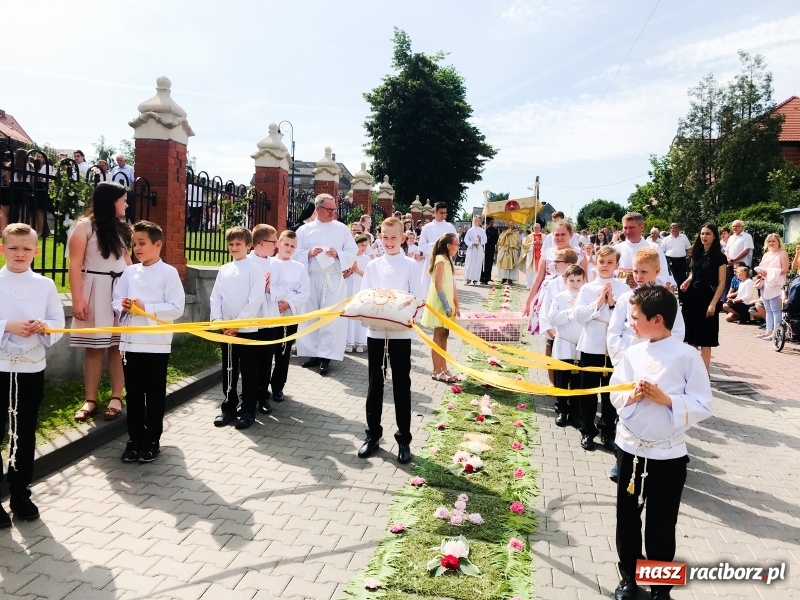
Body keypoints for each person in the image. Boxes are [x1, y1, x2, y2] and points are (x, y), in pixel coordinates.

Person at [609, 285, 713, 600]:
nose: (630, 324)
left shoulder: (687, 356)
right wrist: (632, 395)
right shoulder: (632, 352)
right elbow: (615, 391)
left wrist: (667, 400)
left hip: (667, 455)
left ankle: (660, 588)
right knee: (627, 516)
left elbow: (703, 403)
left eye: (635, 318)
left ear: (657, 319)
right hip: (630, 448)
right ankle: (629, 576)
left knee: (662, 522)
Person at [0, 223, 64, 525]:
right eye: (13, 247)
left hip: (30, 367)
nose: (19, 254)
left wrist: (44, 325)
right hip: (0, 366)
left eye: (26, 248)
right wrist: (6, 325)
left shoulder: (45, 285)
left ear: (36, 251)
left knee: (24, 430)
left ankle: (20, 492)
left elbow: (57, 322)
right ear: (3, 249)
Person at [112, 221, 185, 463]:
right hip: (131, 343)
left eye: (142, 243)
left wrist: (146, 308)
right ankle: (134, 438)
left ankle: (153, 439)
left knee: (154, 393)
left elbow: (176, 308)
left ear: (158, 244)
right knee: (133, 393)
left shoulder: (169, 273)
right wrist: (122, 305)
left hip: (156, 343)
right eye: (134, 244)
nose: (137, 249)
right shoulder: (129, 272)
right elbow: (116, 299)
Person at [356, 217, 417, 464]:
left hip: (401, 334)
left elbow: (417, 298)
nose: (389, 242)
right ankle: (373, 435)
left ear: (403, 238)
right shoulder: (373, 266)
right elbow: (365, 296)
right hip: (377, 332)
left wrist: (405, 318)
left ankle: (404, 439)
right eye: (385, 237)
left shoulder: (411, 265)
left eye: (394, 237)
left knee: (402, 384)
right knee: (375, 384)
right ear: (379, 237)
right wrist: (370, 317)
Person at [70, 183, 132, 423]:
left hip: (119, 291)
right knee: (94, 347)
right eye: (123, 200)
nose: (126, 204)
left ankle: (117, 397)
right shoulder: (84, 227)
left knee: (117, 346)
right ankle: (90, 400)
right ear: (110, 201)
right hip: (94, 289)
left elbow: (128, 263)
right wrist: (77, 299)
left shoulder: (122, 229)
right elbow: (75, 265)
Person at [573, 245, 630, 452]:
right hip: (591, 344)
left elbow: (629, 319)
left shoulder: (624, 289)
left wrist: (613, 304)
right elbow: (578, 316)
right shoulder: (587, 288)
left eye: (609, 263)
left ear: (616, 265)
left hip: (614, 349)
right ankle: (587, 430)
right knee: (587, 391)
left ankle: (608, 431)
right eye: (601, 262)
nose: (605, 266)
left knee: (610, 393)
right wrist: (597, 304)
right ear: (595, 263)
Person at [210, 226, 267, 430]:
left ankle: (249, 409)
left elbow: (255, 299)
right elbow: (216, 296)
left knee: (250, 371)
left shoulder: (254, 269)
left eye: (238, 244)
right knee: (229, 368)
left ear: (248, 245)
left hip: (247, 330)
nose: (234, 248)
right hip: (227, 329)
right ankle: (228, 407)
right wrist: (220, 321)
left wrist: (238, 323)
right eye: (231, 244)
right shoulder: (224, 269)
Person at [294, 194, 358, 375]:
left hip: (333, 278)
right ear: (318, 209)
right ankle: (313, 353)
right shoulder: (305, 231)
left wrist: (337, 253)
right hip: (312, 277)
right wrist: (308, 253)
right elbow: (294, 252)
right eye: (329, 209)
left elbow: (352, 251)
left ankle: (326, 357)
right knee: (312, 315)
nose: (333, 213)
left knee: (330, 318)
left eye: (334, 209)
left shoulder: (341, 229)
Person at [265, 229, 310, 403]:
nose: (289, 248)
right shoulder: (268, 263)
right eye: (286, 244)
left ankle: (277, 387)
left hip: (288, 315)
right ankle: (263, 388)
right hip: (269, 315)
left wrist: (288, 303)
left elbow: (304, 291)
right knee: (267, 353)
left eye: (293, 246)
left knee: (283, 353)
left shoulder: (299, 267)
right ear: (278, 244)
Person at [679, 223, 727, 370]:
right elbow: (695, 272)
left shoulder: (719, 257)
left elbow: (721, 283)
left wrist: (713, 303)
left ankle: (705, 372)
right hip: (692, 297)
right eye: (702, 234)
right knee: (690, 337)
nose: (704, 237)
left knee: (705, 339)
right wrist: (687, 281)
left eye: (707, 234)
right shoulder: (696, 254)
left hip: (708, 298)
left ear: (714, 236)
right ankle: (691, 370)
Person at [546, 264, 585, 427]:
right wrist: (572, 312)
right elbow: (552, 318)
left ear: (584, 280)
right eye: (571, 280)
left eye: (578, 280)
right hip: (564, 343)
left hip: (581, 344)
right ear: (565, 280)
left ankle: (575, 412)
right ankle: (561, 409)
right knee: (562, 379)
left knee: (578, 381)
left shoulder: (586, 297)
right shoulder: (559, 298)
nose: (575, 284)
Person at [247, 224, 279, 415]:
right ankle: (248, 396)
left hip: (269, 317)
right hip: (251, 320)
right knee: (251, 362)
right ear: (260, 242)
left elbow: (284, 288)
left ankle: (262, 396)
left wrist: (269, 289)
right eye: (273, 242)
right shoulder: (246, 261)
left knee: (267, 360)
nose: (276, 246)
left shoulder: (276, 264)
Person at [420, 232, 460, 383]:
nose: (458, 247)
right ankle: (436, 370)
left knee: (445, 335)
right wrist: (447, 305)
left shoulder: (448, 260)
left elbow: (452, 284)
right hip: (440, 302)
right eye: (456, 244)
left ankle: (444, 367)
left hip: (448, 303)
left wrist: (457, 304)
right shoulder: (440, 259)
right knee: (438, 336)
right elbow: (438, 285)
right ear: (448, 245)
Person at [536, 247, 579, 384]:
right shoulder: (552, 284)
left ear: (568, 264)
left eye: (557, 261)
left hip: (574, 335)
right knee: (555, 361)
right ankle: (554, 384)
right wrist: (551, 331)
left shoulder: (581, 284)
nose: (554, 263)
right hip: (555, 332)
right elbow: (545, 309)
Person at [615, 213, 675, 289]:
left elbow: (662, 275)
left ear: (642, 227)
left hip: (647, 295)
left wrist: (641, 282)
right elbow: (609, 275)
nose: (628, 231)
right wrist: (625, 280)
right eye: (625, 228)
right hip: (621, 295)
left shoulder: (654, 248)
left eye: (631, 227)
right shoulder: (616, 249)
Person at [753, 233, 789, 340]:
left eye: (773, 241)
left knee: (775, 309)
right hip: (765, 283)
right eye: (769, 241)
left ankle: (776, 333)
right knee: (768, 309)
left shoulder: (782, 253)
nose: (771, 243)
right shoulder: (766, 255)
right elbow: (762, 267)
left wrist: (769, 272)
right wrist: (761, 272)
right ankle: (768, 331)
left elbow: (785, 270)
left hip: (776, 283)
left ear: (778, 241)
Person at [418, 202, 457, 295]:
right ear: (435, 212)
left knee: (446, 285)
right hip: (431, 260)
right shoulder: (427, 228)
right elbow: (422, 246)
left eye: (445, 213)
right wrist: (436, 245)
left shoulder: (449, 227)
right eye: (441, 213)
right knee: (430, 287)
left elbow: (455, 243)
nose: (443, 215)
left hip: (446, 260)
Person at [345, 234, 371, 352]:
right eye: (361, 245)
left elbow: (368, 275)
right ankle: (349, 342)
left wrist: (357, 270)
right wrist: (351, 270)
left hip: (360, 287)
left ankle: (360, 342)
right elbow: (344, 274)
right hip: (350, 287)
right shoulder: (350, 258)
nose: (363, 248)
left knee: (360, 313)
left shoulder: (367, 259)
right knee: (350, 313)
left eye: (366, 245)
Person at [660, 223, 692, 301]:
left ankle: (682, 298)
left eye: (676, 227)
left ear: (679, 228)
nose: (674, 229)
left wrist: (688, 255)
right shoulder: (666, 239)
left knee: (681, 279)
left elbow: (689, 248)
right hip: (670, 260)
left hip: (681, 260)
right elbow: (662, 251)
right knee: (671, 279)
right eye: (672, 227)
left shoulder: (683, 237)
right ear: (670, 229)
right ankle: (670, 298)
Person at [724, 220, 754, 293]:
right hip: (731, 265)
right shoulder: (731, 237)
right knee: (730, 284)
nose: (735, 228)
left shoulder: (747, 236)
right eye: (733, 226)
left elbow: (746, 250)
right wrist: (728, 258)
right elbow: (726, 250)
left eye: (737, 226)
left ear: (742, 227)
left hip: (742, 266)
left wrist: (735, 259)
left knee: (741, 285)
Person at [463, 216, 486, 284]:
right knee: (470, 263)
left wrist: (480, 239)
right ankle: (468, 278)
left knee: (477, 264)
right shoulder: (470, 230)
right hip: (472, 249)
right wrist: (472, 243)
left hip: (479, 249)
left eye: (479, 221)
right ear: (474, 221)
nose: (479, 222)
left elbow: (485, 240)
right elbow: (466, 239)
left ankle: (475, 279)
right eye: (477, 221)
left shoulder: (482, 230)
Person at [522, 223, 543, 290]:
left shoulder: (545, 236)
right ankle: (529, 286)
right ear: (532, 228)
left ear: (540, 228)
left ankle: (539, 286)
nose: (536, 229)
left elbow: (548, 245)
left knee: (540, 271)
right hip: (532, 256)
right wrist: (533, 243)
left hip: (541, 256)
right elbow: (524, 245)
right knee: (530, 271)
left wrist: (542, 243)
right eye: (535, 227)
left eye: (538, 227)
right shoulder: (529, 236)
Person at [480, 216, 499, 284]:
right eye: (490, 221)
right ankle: (482, 277)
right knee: (483, 263)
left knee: (489, 263)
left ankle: (487, 277)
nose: (492, 223)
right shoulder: (483, 229)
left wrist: (495, 247)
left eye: (492, 221)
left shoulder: (494, 230)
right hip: (483, 248)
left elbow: (496, 239)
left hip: (490, 248)